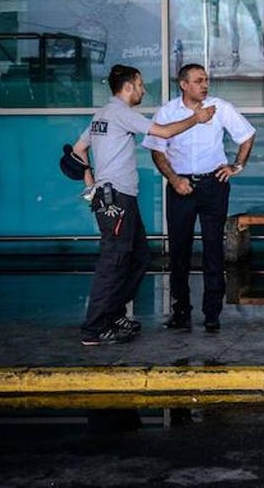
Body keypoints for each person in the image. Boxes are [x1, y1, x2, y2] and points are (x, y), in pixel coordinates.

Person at [71, 64, 215, 346]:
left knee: (139, 257)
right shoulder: (121, 113)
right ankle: (94, 328)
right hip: (117, 200)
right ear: (128, 86)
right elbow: (163, 132)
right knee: (113, 262)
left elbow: (78, 149)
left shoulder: (102, 115)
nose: (143, 90)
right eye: (139, 85)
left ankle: (114, 315)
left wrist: (91, 186)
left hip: (119, 197)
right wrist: (196, 119)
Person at [145, 64, 256, 333]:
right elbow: (157, 150)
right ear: (183, 84)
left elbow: (247, 135)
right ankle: (181, 311)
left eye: (206, 80)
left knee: (213, 249)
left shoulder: (220, 108)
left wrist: (237, 165)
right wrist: (174, 179)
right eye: (198, 81)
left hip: (213, 184)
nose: (204, 85)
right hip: (180, 184)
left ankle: (212, 313)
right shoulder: (168, 112)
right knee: (179, 250)